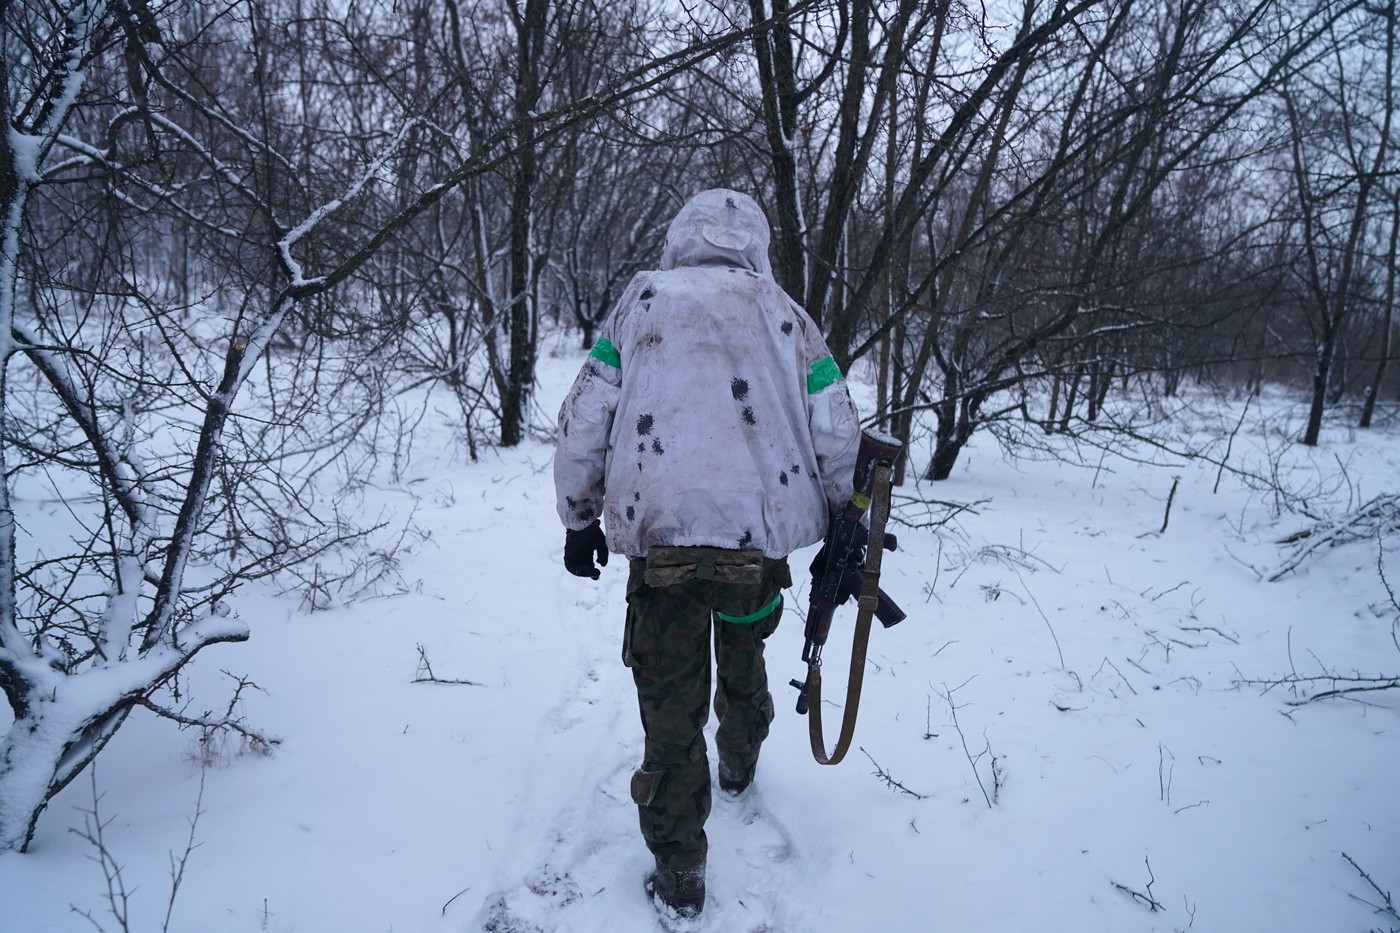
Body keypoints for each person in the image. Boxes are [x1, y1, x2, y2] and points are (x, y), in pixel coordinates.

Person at [553, 188, 861, 924]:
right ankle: (740, 760)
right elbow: (835, 417)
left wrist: (578, 516)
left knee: (668, 705)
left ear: (679, 236)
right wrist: (849, 514)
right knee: (745, 652)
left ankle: (681, 867)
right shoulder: (786, 312)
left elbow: (587, 410)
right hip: (753, 551)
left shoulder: (641, 301)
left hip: (661, 546)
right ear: (754, 243)